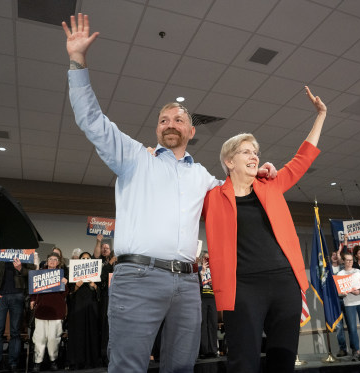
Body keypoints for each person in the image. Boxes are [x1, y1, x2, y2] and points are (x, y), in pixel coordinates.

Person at [61, 13, 276, 373]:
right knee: (127, 366)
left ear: (192, 131)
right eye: (163, 120)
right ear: (157, 130)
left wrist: (258, 171)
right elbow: (91, 120)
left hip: (188, 284)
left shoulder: (203, 177)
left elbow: (235, 195)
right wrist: (77, 61)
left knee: (181, 367)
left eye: (178, 120)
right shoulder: (133, 159)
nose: (170, 124)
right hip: (138, 278)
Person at [201, 86, 325, 372]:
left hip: (285, 284)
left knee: (283, 361)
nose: (254, 155)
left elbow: (303, 158)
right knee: (243, 362)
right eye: (246, 151)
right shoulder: (212, 198)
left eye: (255, 151)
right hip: (242, 288)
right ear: (229, 161)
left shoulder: (272, 185)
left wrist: (320, 115)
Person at [0, 257, 35, 373]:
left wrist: (21, 268)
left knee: (15, 332)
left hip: (18, 295)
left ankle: (13, 364)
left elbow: (32, 273)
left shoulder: (24, 253)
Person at [30, 253, 69, 372]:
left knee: (54, 338)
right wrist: (32, 300)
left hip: (56, 312)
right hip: (41, 311)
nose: (52, 261)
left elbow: (65, 294)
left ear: (58, 262)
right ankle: (37, 362)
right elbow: (33, 290)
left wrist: (65, 284)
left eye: (55, 259)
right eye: (50, 259)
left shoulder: (61, 275)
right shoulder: (39, 274)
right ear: (47, 261)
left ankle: (53, 360)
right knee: (39, 338)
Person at [66, 251, 101, 369]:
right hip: (78, 307)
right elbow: (69, 293)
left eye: (88, 259)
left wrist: (95, 286)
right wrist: (76, 286)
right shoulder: (73, 273)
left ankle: (91, 360)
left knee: (92, 332)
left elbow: (101, 292)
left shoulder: (96, 273)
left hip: (91, 307)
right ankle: (77, 360)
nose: (85, 261)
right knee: (78, 333)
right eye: (83, 258)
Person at [337, 253, 360, 362]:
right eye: (347, 260)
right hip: (349, 303)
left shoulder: (358, 271)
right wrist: (344, 293)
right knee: (352, 329)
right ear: (343, 261)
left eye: (351, 260)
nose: (349, 262)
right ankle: (356, 351)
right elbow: (340, 293)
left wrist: (358, 291)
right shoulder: (340, 273)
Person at [93, 234, 116, 366]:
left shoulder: (117, 260)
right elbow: (101, 276)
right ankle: (103, 355)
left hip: (117, 296)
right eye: (103, 247)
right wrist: (98, 241)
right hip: (104, 297)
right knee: (104, 326)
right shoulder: (99, 261)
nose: (105, 249)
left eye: (107, 247)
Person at [198, 252, 218, 359]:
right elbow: (197, 284)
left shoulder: (215, 271)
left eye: (209, 259)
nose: (207, 260)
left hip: (213, 298)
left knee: (213, 323)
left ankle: (213, 350)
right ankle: (204, 350)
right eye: (205, 258)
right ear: (202, 259)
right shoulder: (199, 269)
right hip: (202, 298)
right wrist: (203, 272)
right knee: (203, 324)